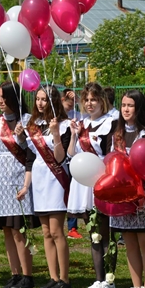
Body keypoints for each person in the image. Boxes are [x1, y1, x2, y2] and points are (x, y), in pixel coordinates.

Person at [110, 90, 145, 288]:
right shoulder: (116, 133)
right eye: (123, 105)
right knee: (129, 241)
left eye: (130, 105)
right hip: (122, 194)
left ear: (138, 108)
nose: (125, 109)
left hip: (144, 195)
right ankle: (136, 285)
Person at [0, 81, 35, 288]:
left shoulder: (27, 120)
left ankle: (27, 275)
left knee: (18, 230)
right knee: (6, 229)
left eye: (4, 97)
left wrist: (22, 137)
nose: (0, 101)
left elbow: (31, 152)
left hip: (18, 174)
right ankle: (14, 273)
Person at [67, 82, 117, 288]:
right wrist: (72, 135)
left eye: (93, 99)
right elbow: (71, 154)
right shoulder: (80, 124)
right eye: (86, 100)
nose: (89, 104)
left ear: (102, 101)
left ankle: (109, 280)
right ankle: (98, 280)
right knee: (93, 232)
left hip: (102, 181)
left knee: (106, 232)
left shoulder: (110, 123)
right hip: (83, 183)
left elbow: (111, 154)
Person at [25, 86, 72, 288]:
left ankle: (65, 279)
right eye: (38, 99)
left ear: (53, 102)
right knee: (45, 232)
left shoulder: (64, 125)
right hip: (40, 178)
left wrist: (55, 135)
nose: (40, 103)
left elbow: (60, 158)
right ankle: (53, 278)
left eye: (45, 100)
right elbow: (29, 156)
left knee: (56, 231)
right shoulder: (34, 125)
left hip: (56, 178)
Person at [61, 88, 83, 240]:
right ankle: (70, 225)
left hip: (75, 157)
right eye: (67, 102)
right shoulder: (57, 115)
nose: (70, 105)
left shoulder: (78, 115)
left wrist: (79, 98)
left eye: (72, 103)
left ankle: (74, 226)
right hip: (60, 157)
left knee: (73, 191)